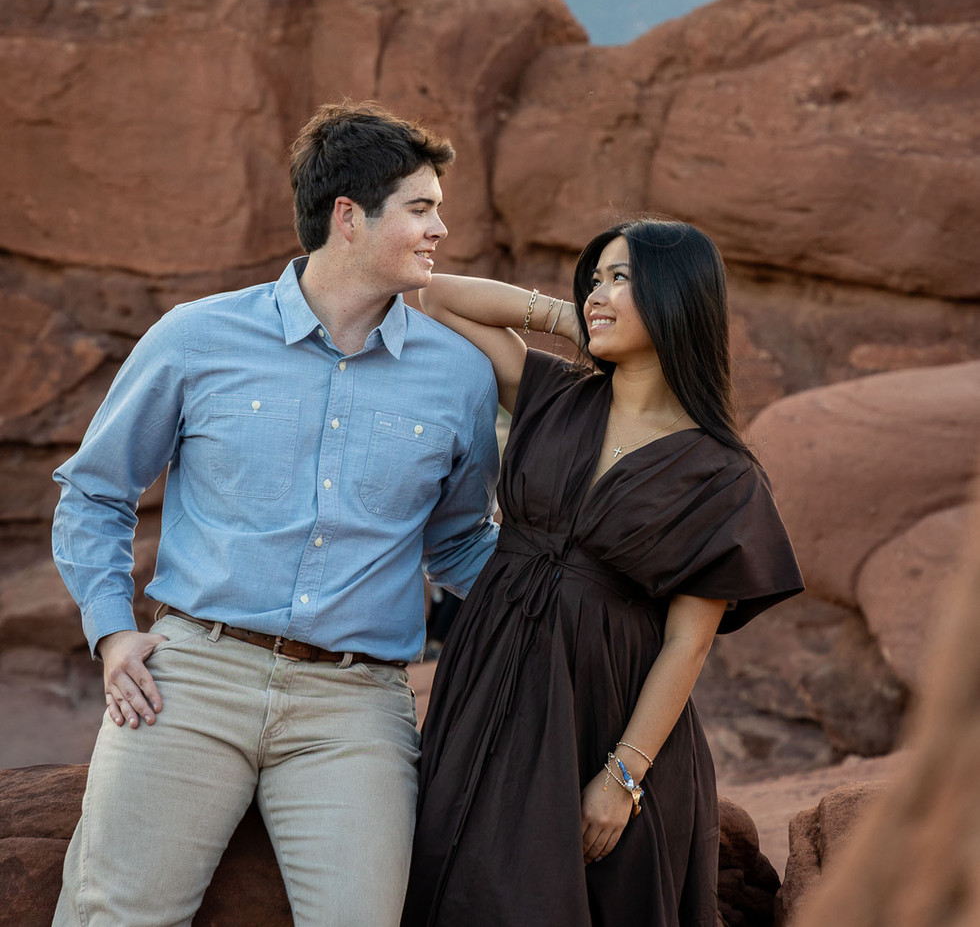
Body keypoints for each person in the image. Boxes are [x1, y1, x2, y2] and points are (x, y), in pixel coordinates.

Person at [50, 102, 500, 927]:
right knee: (117, 916)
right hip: (189, 677)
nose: (441, 228)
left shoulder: (459, 376)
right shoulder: (196, 337)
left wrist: (577, 597)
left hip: (354, 704)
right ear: (348, 217)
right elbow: (96, 489)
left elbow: (461, 540)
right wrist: (113, 630)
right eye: (422, 207)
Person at [401, 218, 804, 927]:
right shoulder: (552, 391)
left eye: (623, 279)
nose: (598, 292)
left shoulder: (722, 474)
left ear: (678, 299)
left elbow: (689, 642)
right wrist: (575, 317)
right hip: (488, 683)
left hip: (605, 717)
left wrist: (623, 774)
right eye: (594, 278)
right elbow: (436, 297)